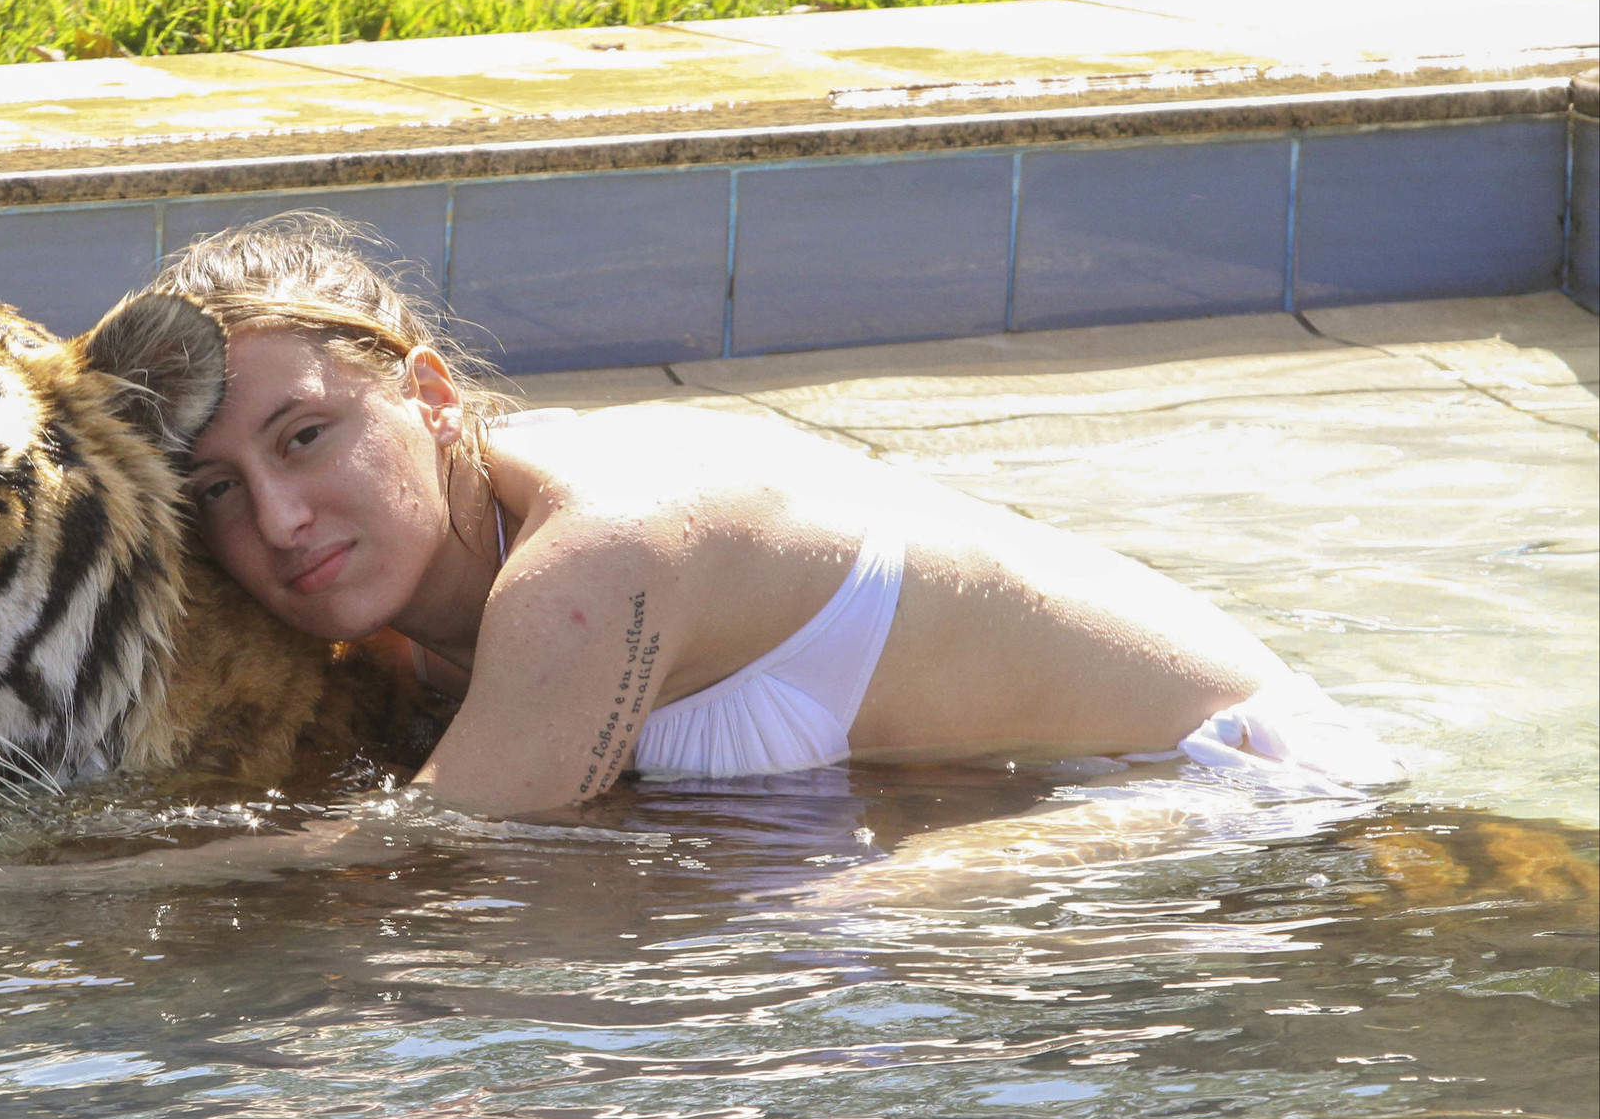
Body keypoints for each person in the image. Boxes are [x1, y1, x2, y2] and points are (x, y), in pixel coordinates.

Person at [152, 214, 1399, 818]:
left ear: (424, 394)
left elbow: (427, 856)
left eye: (306, 437)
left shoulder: (599, 556)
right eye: (215, 493)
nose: (278, 518)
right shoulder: (404, 616)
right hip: (1034, 809)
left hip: (1245, 807)